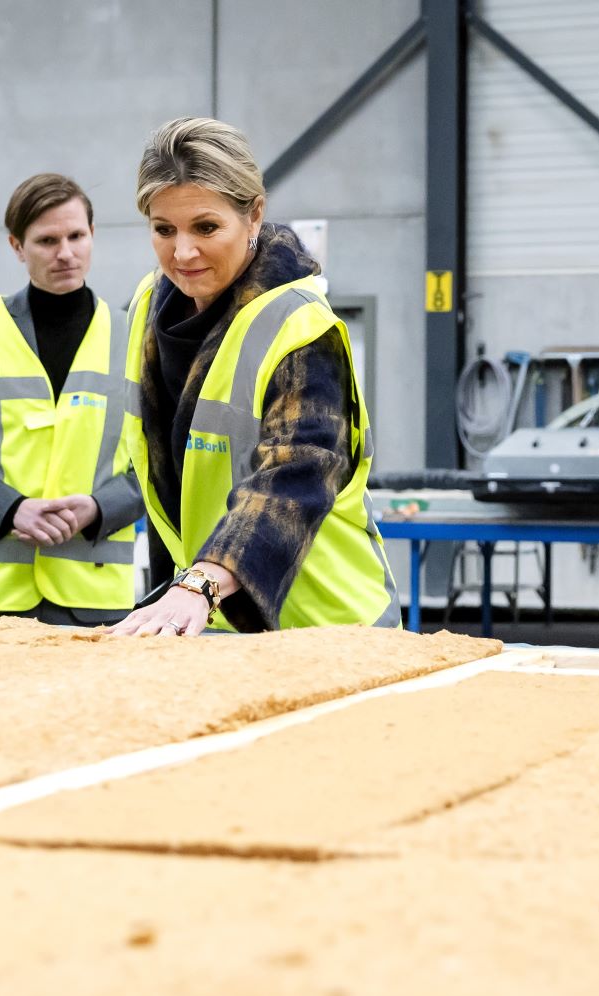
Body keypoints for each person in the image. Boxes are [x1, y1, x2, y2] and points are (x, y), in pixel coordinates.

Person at [107, 117, 399, 636]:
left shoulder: (300, 326)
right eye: (164, 229)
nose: (182, 252)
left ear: (254, 215)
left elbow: (295, 473)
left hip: (330, 630)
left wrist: (201, 583)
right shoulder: (148, 307)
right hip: (215, 624)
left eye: (206, 227)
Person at [0, 174, 144, 626]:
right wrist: (10, 511)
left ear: (93, 235)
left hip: (95, 592)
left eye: (76, 236)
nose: (65, 253)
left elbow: (159, 463)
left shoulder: (133, 339)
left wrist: (99, 509)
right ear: (17, 246)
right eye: (47, 240)